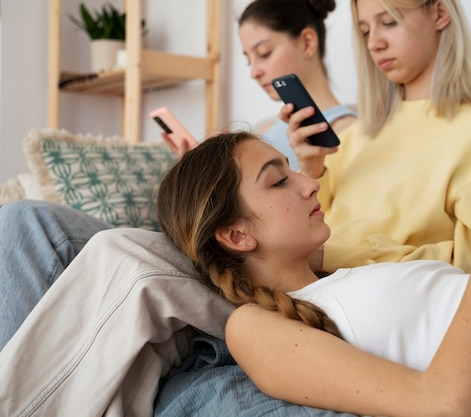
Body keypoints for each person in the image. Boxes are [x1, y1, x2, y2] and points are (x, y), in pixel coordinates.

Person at [154, 94, 471, 416]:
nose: (310, 182)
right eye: (279, 180)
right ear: (236, 236)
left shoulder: (340, 280)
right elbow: (447, 405)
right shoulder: (252, 328)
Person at [0, 0, 355, 350]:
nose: (254, 71)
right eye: (247, 59)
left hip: (231, 260)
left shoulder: (348, 131)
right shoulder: (265, 128)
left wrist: (313, 167)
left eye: (263, 53)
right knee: (24, 224)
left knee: (29, 222)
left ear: (307, 42)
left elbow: (333, 222)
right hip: (206, 242)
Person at [282, 0, 471, 274]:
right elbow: (316, 230)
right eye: (365, 31)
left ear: (440, 14)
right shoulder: (355, 135)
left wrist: (334, 258)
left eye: (388, 22)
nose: (374, 43)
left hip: (386, 299)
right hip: (309, 285)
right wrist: (312, 170)